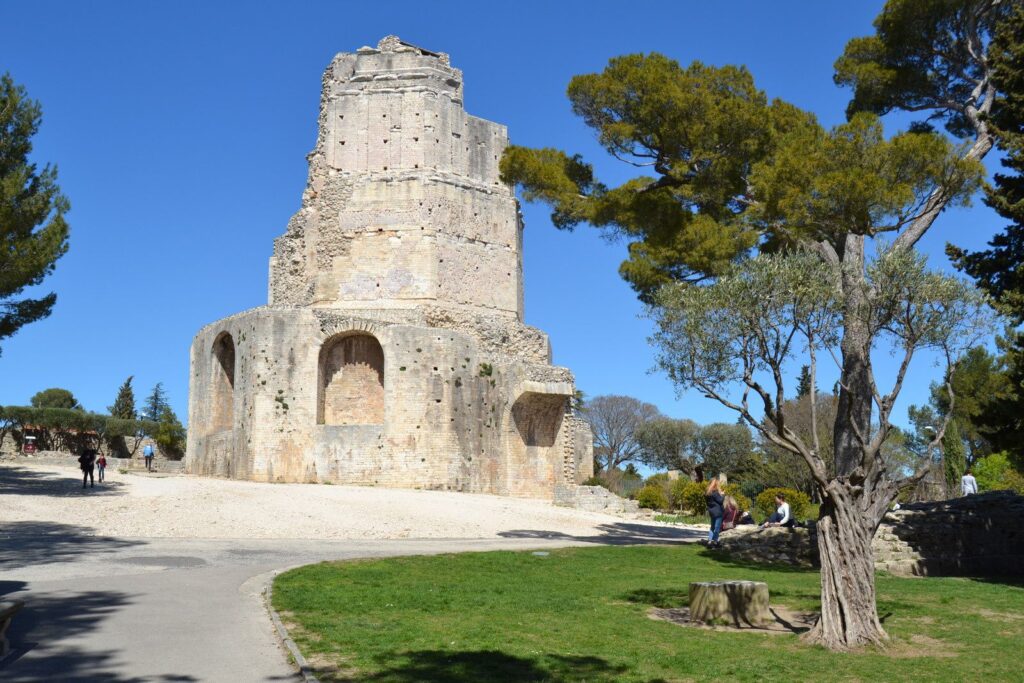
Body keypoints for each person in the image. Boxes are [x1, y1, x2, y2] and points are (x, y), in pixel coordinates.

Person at [705, 478, 725, 547]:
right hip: (718, 512)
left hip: (711, 511)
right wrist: (722, 494)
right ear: (716, 485)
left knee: (712, 527)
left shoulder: (707, 493)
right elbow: (720, 501)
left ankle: (709, 541)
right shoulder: (715, 493)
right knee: (717, 527)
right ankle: (715, 542)